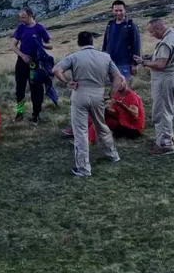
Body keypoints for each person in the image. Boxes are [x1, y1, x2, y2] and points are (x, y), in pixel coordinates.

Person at [53, 31, 125, 177]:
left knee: (80, 132)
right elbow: (118, 77)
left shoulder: (74, 56)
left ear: (79, 43)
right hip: (98, 94)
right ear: (92, 42)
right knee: (101, 125)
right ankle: (113, 155)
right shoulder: (105, 57)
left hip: (80, 93)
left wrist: (67, 82)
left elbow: (56, 70)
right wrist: (111, 93)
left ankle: (84, 168)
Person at [135, 18, 174, 155]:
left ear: (158, 28)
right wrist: (152, 57)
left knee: (161, 112)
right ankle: (169, 138)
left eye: (152, 32)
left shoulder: (166, 43)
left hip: (164, 81)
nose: (151, 35)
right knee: (168, 109)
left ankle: (165, 144)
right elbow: (167, 58)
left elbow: (161, 65)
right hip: (173, 77)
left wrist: (144, 62)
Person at [12, 6, 53, 123]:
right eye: (20, 17)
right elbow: (13, 46)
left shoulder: (40, 28)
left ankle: (36, 114)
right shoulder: (20, 28)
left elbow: (50, 45)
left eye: (23, 17)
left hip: (36, 63)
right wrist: (22, 55)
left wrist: (41, 44)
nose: (21, 19)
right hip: (22, 63)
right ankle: (19, 113)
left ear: (30, 15)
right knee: (19, 90)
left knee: (36, 90)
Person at [102, 0, 141, 80]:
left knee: (123, 89)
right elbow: (105, 42)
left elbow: (136, 45)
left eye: (121, 10)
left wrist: (135, 64)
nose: (118, 13)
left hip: (124, 64)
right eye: (116, 10)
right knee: (114, 88)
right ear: (112, 11)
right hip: (110, 63)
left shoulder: (131, 25)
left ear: (125, 10)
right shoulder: (110, 24)